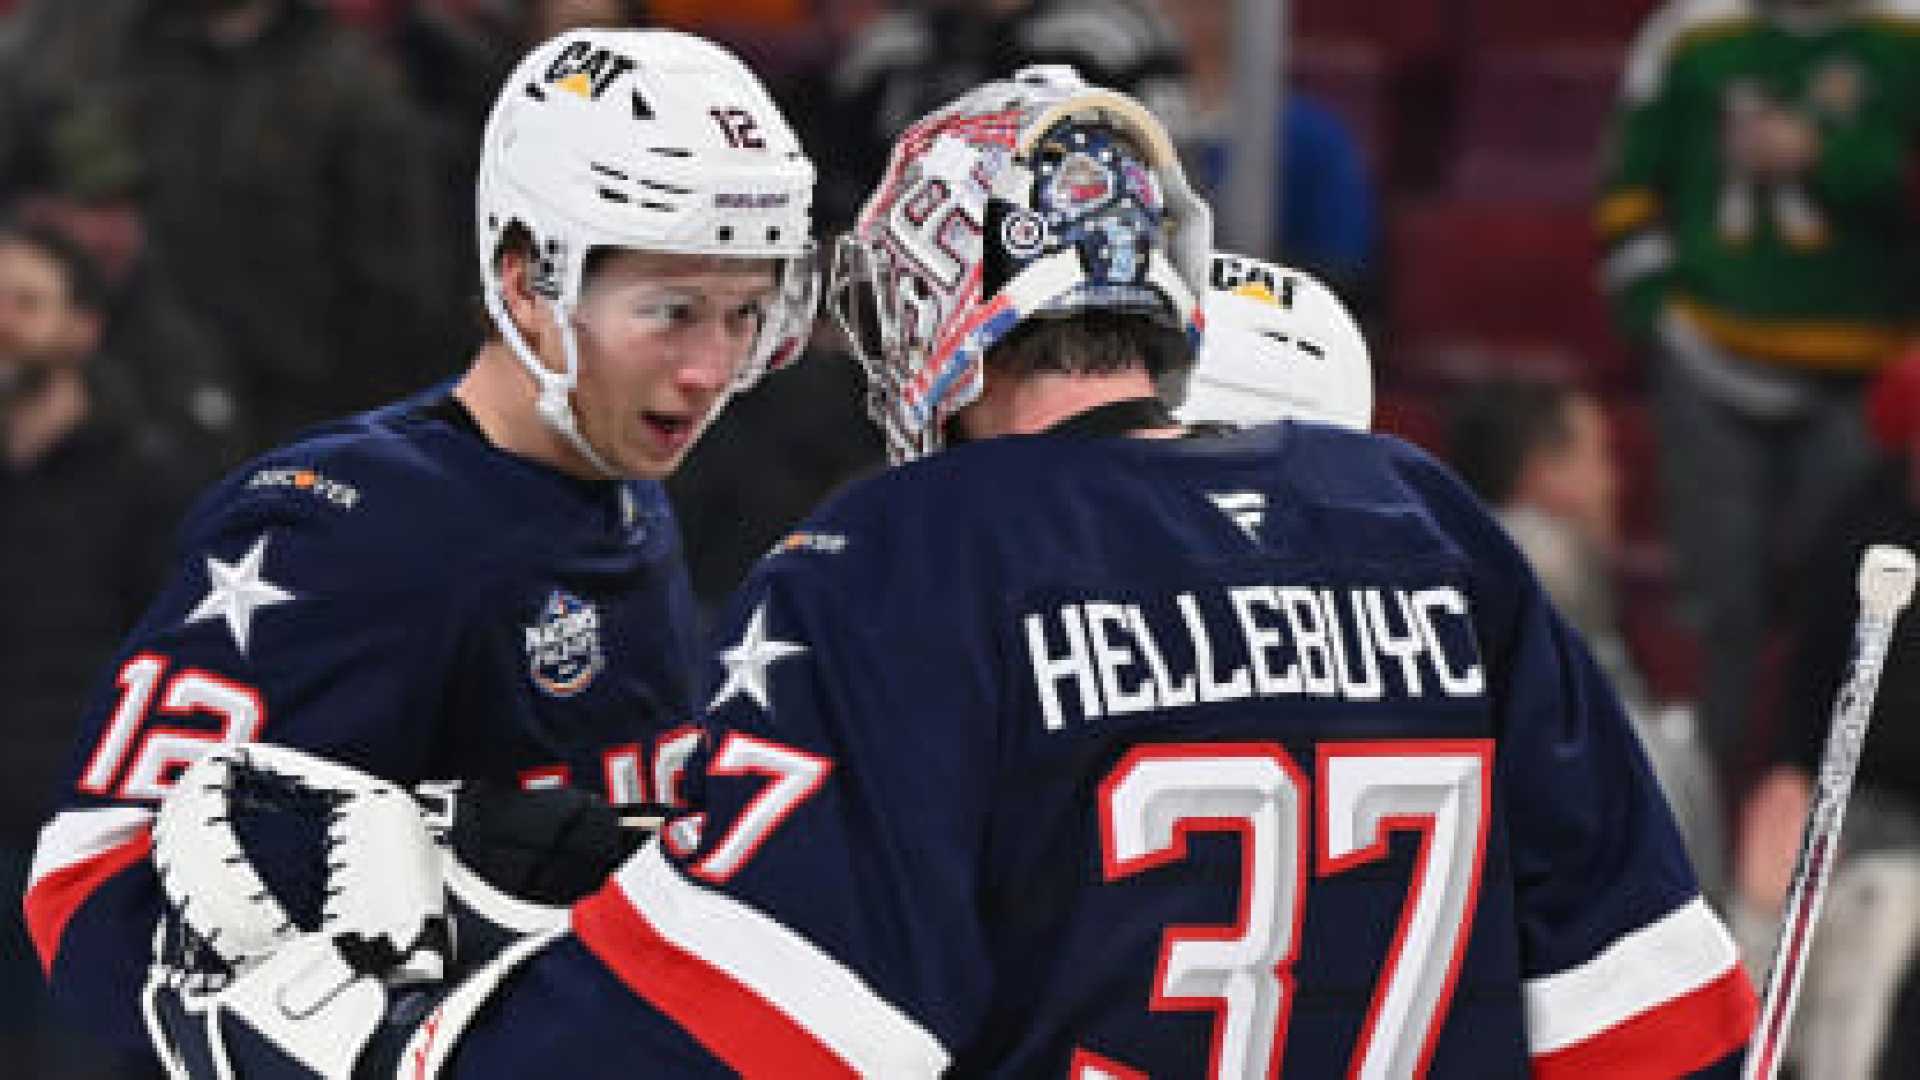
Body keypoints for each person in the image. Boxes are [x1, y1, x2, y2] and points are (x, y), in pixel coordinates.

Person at [145, 68, 1754, 1078]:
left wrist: (421, 1049)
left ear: (929, 313)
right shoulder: (1420, 513)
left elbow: (757, 1026)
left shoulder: (907, 552)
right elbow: (1658, 1017)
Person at [21, 26, 818, 1064]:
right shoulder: (352, 529)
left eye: (745, 314)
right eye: (670, 311)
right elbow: (92, 882)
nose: (712, 368)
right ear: (529, 279)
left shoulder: (625, 489)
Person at [1598, 0, 1920, 796]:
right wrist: (1656, 317)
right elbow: (1628, 184)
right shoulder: (1692, 33)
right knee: (1721, 619)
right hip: (1712, 359)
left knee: (1848, 614)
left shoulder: (1903, 36)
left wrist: (1824, 153)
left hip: (1865, 378)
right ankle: (1701, 832)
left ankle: (1819, 815)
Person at [0, 219, 196, 1079]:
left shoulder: (147, 483)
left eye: (25, 302)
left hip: (78, 860)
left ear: (83, 327)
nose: (1, 322)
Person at [1448, 377, 1729, 907]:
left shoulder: (1462, 557)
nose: (1615, 483)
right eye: (1600, 456)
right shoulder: (1534, 563)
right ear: (1543, 472)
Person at [1733, 351, 1920, 1078]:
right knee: (1769, 889)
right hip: (1846, 800)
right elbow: (1806, 682)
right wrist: (1787, 776)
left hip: (1910, 833)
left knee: (1875, 931)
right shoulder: (1857, 528)